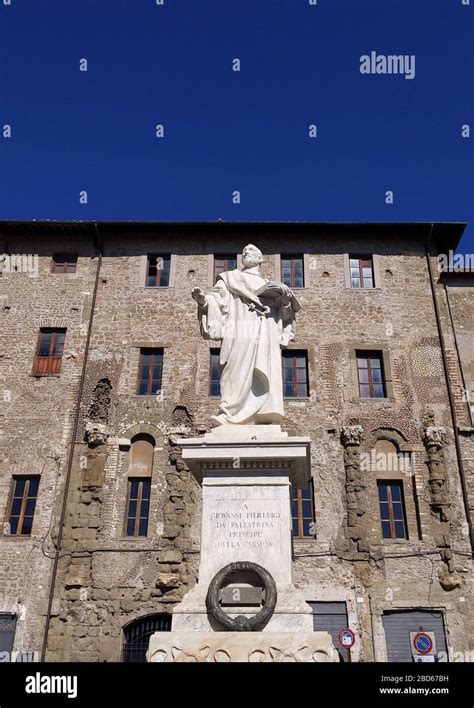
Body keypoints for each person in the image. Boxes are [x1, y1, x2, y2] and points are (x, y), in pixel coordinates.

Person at [191, 244, 300, 426]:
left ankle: (261, 412)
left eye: (251, 251)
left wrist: (286, 300)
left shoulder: (270, 285)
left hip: (265, 332)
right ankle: (229, 411)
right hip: (238, 330)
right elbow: (216, 299)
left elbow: (286, 318)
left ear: (260, 259)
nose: (246, 253)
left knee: (263, 367)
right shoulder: (230, 278)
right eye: (243, 252)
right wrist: (204, 301)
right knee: (234, 367)